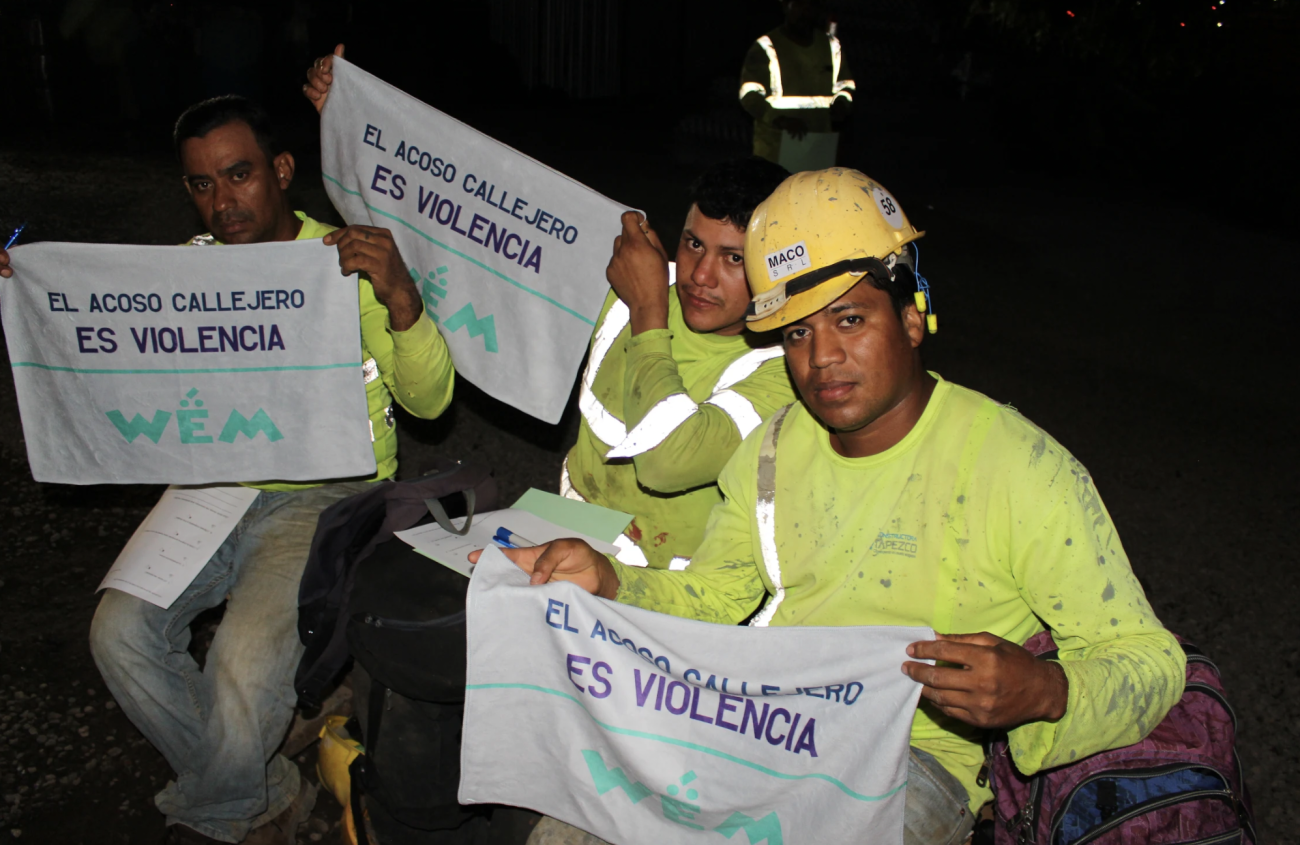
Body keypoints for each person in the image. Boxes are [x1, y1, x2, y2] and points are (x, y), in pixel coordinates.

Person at [480, 169, 1186, 845]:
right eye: (798, 333)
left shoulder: (1018, 467)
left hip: (914, 759)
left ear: (912, 319)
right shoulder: (772, 448)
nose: (821, 358)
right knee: (565, 827)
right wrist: (612, 580)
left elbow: (1151, 660)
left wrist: (1046, 690)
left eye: (849, 320)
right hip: (764, 721)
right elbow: (718, 595)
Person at [0, 96, 453, 845]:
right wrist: (35, 287)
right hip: (216, 483)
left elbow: (430, 402)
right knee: (118, 633)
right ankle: (261, 788)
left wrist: (400, 296)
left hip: (328, 490)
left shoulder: (341, 263)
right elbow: (115, 341)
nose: (223, 201)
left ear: (282, 170)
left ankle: (213, 818)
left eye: (239, 174)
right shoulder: (192, 268)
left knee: (241, 663)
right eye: (203, 183)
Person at [304, 49, 797, 572]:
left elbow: (667, 462)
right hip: (571, 528)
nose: (700, 275)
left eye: (734, 259)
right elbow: (478, 231)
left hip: (669, 583)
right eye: (694, 244)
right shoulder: (643, 278)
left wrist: (649, 310)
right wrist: (351, 121)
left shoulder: (785, 370)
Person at [739, 0, 855, 167]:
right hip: (776, 149)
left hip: (818, 147)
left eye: (810, 5)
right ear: (785, 7)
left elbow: (845, 86)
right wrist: (780, 120)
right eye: (799, 4)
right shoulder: (767, 46)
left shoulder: (830, 45)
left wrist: (842, 104)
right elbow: (750, 95)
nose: (805, 11)